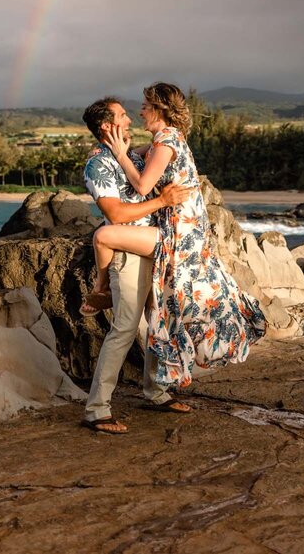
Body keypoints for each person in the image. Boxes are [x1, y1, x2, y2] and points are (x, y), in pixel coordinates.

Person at [93, 82, 267, 391]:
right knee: (165, 310)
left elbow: (144, 185)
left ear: (159, 110)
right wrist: (114, 151)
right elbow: (136, 157)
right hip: (181, 227)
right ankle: (156, 389)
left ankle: (102, 289)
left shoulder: (166, 142)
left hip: (178, 231)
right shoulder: (166, 139)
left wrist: (119, 155)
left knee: (171, 304)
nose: (140, 112)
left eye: (146, 106)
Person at [79, 96, 194, 434]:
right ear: (106, 126)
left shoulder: (126, 155)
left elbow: (159, 148)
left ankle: (155, 391)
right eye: (123, 115)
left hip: (154, 247)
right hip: (128, 254)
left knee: (157, 319)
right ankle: (96, 410)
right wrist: (161, 200)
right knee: (125, 329)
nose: (129, 119)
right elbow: (114, 215)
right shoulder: (97, 166)